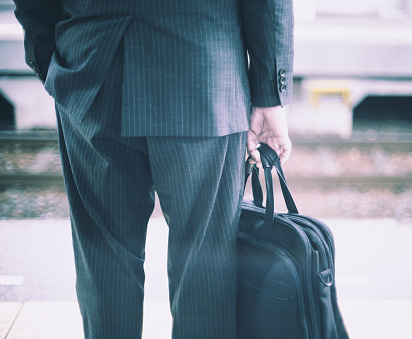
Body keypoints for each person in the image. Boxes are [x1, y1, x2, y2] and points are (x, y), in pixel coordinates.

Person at [13, 1, 293, 338]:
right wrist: (269, 95)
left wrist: (47, 53)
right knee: (204, 263)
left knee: (105, 260)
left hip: (92, 64)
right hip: (202, 68)